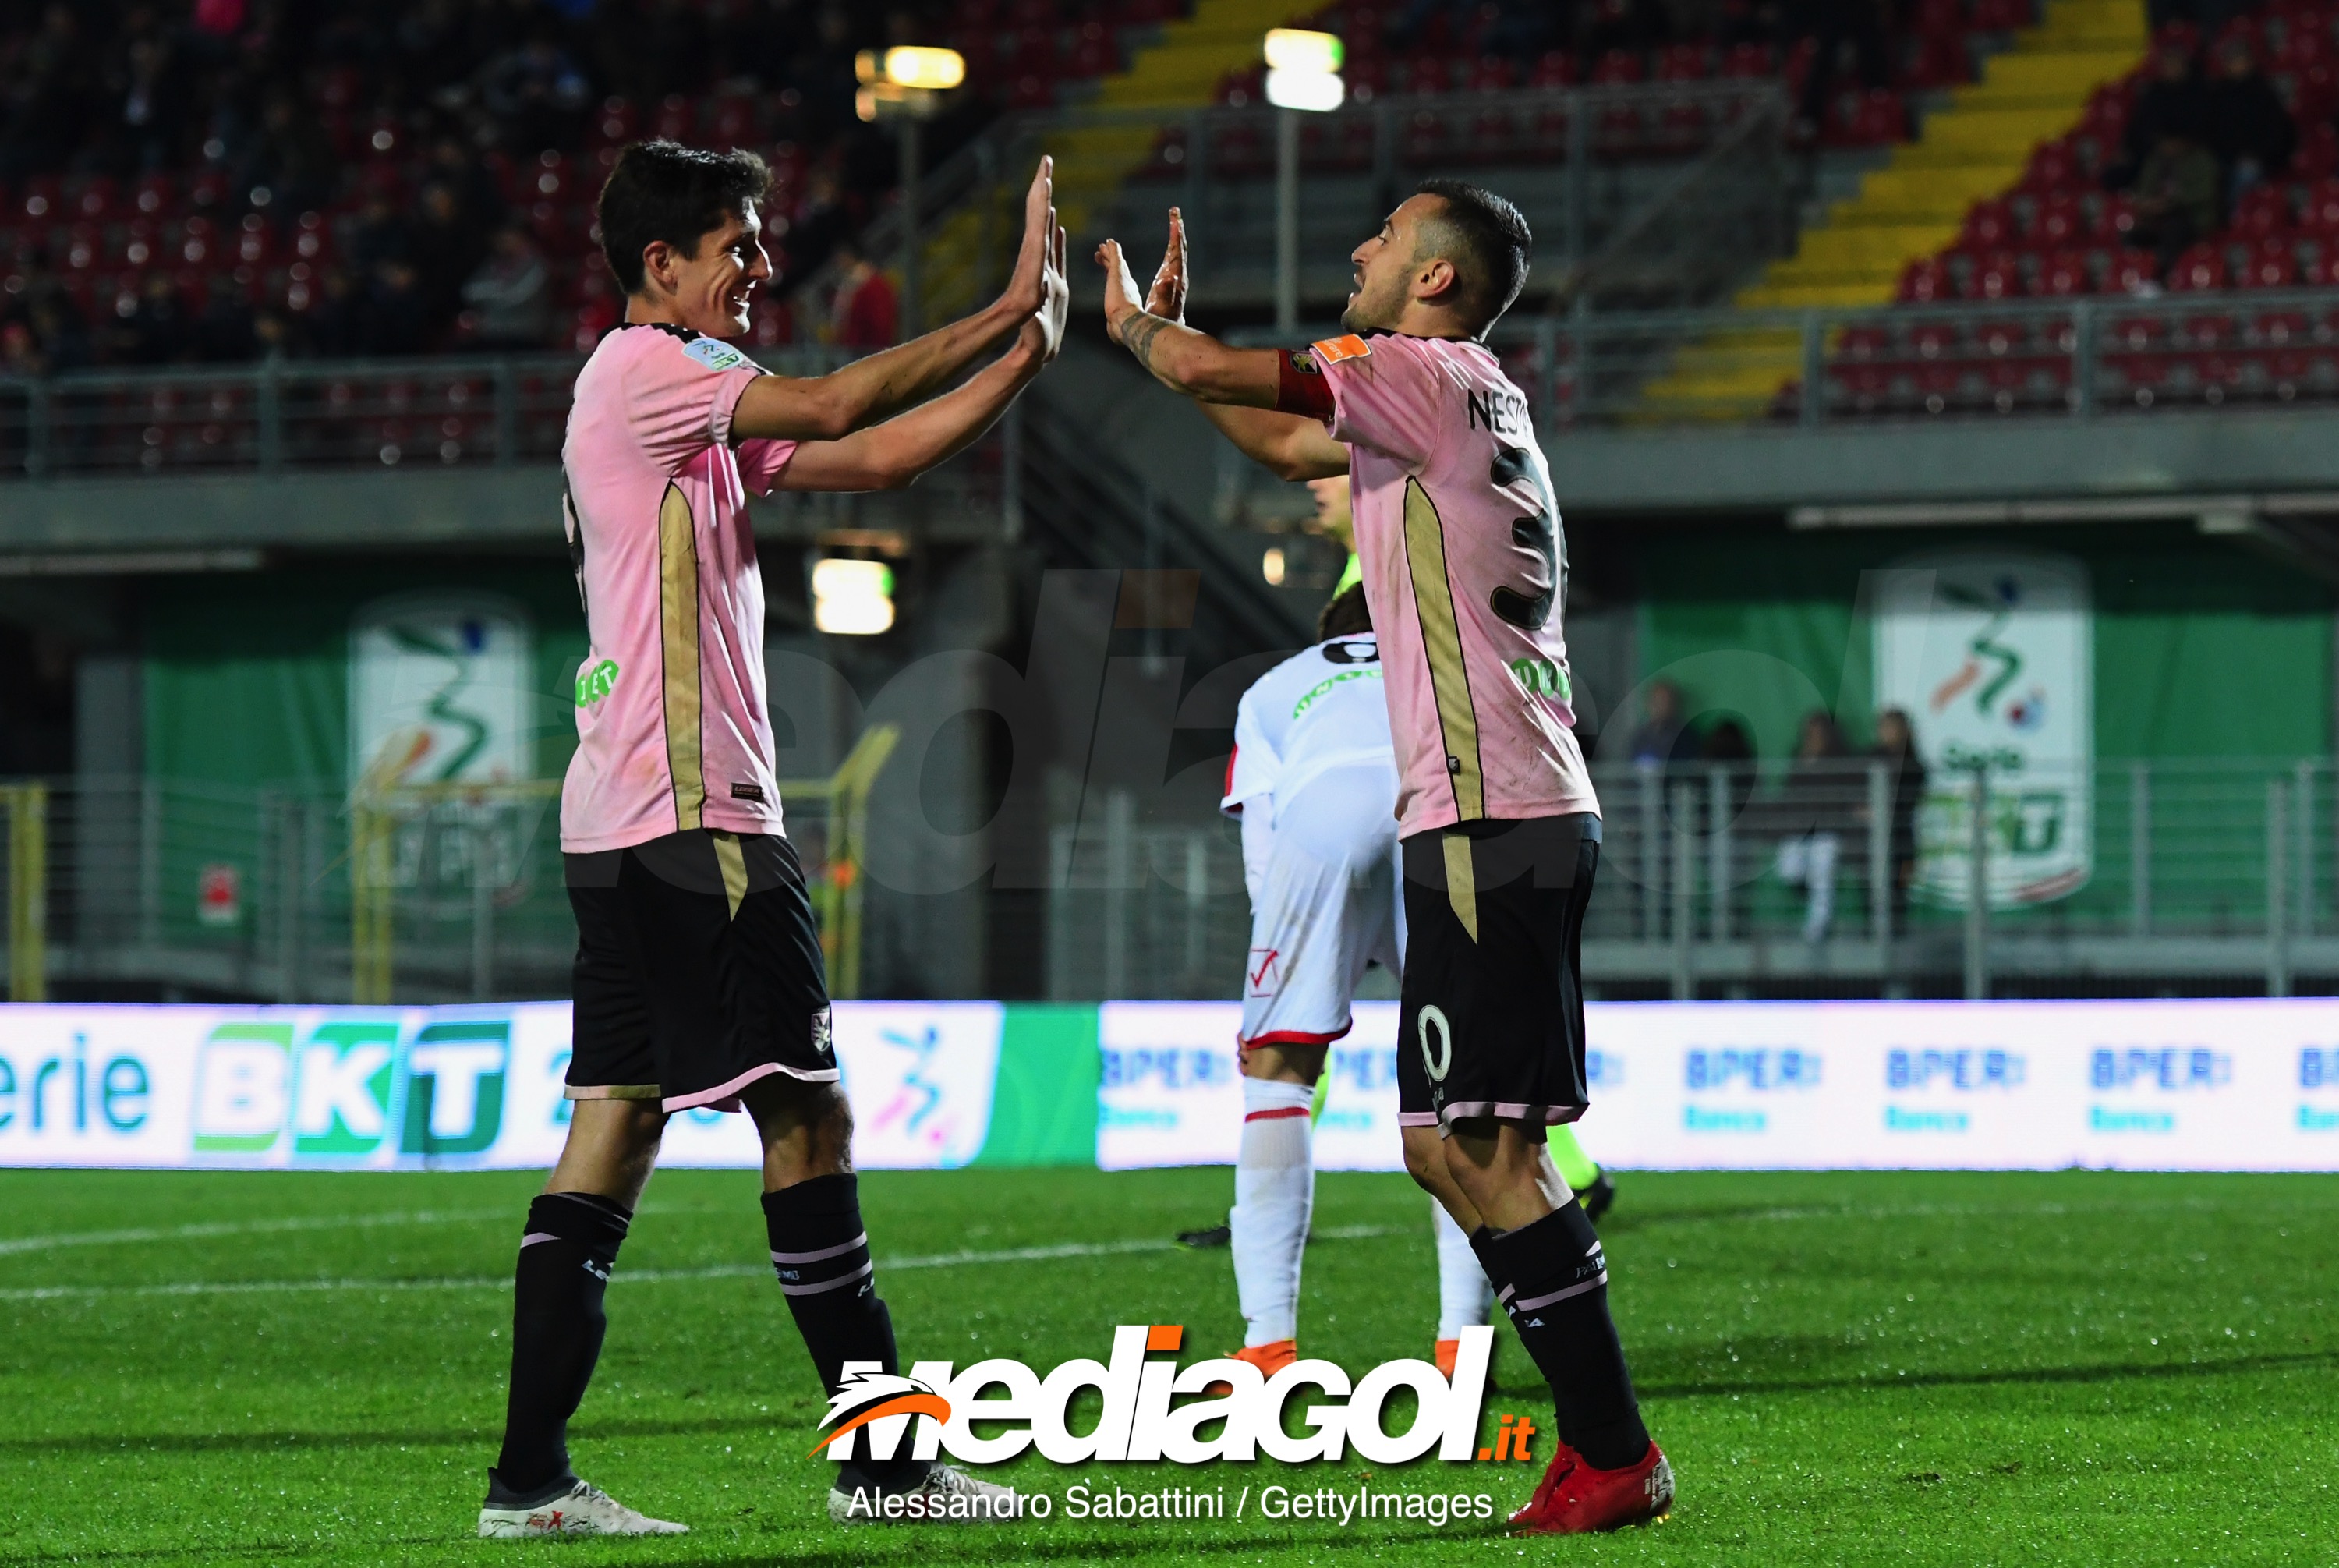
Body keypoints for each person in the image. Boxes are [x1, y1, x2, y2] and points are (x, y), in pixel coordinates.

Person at [478, 140, 1067, 1540]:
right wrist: (1006, 299)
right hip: (697, 818)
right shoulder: (652, 372)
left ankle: (529, 1484)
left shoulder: (677, 401)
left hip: (621, 817)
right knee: (805, 1113)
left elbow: (871, 452)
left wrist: (1028, 355)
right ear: (660, 266)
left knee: (609, 1137)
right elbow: (850, 391)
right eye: (735, 244)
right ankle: (887, 1467)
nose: (759, 265)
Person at [1096, 188, 1669, 1533]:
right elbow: (1273, 424)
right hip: (1484, 810)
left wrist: (1137, 332)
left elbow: (1208, 369)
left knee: (1483, 1150)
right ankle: (1584, 1415)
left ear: (1436, 279)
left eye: (1382, 240)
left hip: (1491, 815)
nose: (1356, 252)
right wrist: (1185, 364)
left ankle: (1609, 1449)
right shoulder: (1458, 402)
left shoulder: (1414, 374)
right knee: (1440, 1143)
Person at [1774, 710, 1852, 943]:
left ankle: (1817, 931)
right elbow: (1789, 792)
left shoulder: (1839, 759)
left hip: (1828, 831)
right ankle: (1806, 896)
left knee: (1823, 874)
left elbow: (1842, 795)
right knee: (1788, 869)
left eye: (1819, 732)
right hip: (1800, 831)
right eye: (1810, 732)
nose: (1814, 736)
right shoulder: (1798, 758)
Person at [1870, 706, 1926, 931]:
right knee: (1872, 887)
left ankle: (1896, 934)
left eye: (1890, 727)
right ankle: (1874, 934)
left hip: (1901, 836)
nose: (1885, 732)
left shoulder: (1913, 764)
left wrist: (1884, 810)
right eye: (1883, 727)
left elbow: (1909, 801)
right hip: (1870, 839)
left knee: (1899, 886)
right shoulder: (1871, 758)